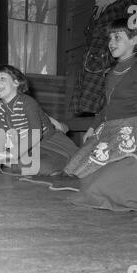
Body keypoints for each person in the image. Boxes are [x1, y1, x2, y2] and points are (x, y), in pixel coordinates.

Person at [64, 18, 137, 179]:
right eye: (110, 38)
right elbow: (107, 105)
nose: (111, 42)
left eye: (117, 37)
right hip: (108, 127)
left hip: (129, 128)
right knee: (74, 169)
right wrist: (93, 127)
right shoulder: (111, 72)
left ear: (134, 39)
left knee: (100, 176)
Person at [0, 64, 78, 176]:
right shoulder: (1, 107)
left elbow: (35, 134)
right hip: (29, 148)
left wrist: (13, 154)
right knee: (14, 164)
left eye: (2, 78)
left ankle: (63, 165)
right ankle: (28, 165)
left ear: (16, 83)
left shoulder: (27, 102)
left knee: (40, 166)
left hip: (49, 144)